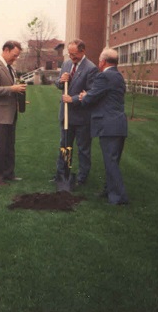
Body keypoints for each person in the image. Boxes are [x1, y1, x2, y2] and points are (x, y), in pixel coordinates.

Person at [69, 47, 129, 205]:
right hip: (118, 124)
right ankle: (109, 190)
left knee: (111, 161)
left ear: (102, 62)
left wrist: (83, 96)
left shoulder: (104, 76)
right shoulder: (118, 76)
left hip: (109, 126)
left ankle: (118, 197)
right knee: (113, 160)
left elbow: (90, 98)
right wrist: (88, 96)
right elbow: (103, 96)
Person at [53, 39, 98, 186]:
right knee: (64, 145)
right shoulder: (66, 64)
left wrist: (72, 99)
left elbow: (92, 93)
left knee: (83, 149)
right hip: (66, 115)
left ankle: (81, 178)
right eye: (70, 54)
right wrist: (61, 80)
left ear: (82, 51)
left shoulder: (90, 68)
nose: (72, 57)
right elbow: (58, 84)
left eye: (74, 54)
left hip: (81, 117)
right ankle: (61, 174)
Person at [0, 40, 26, 186]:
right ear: (6, 50)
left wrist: (18, 99)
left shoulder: (10, 68)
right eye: (14, 55)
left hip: (10, 113)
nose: (15, 59)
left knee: (9, 145)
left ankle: (8, 174)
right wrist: (12, 89)